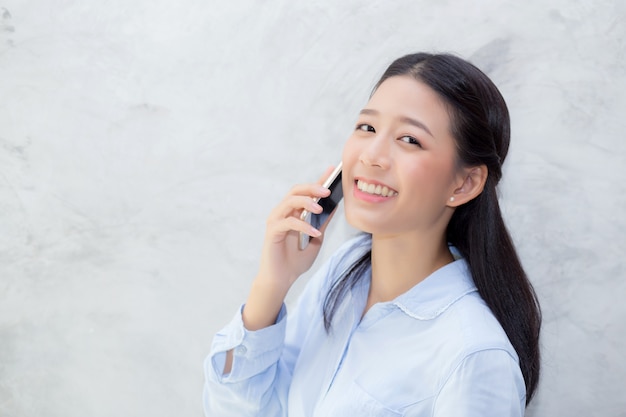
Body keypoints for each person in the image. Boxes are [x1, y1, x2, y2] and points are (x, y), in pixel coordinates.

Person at [203, 52, 541, 416]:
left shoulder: (475, 356)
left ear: (465, 183)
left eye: (410, 139)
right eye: (367, 128)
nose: (373, 156)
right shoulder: (345, 274)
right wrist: (272, 284)